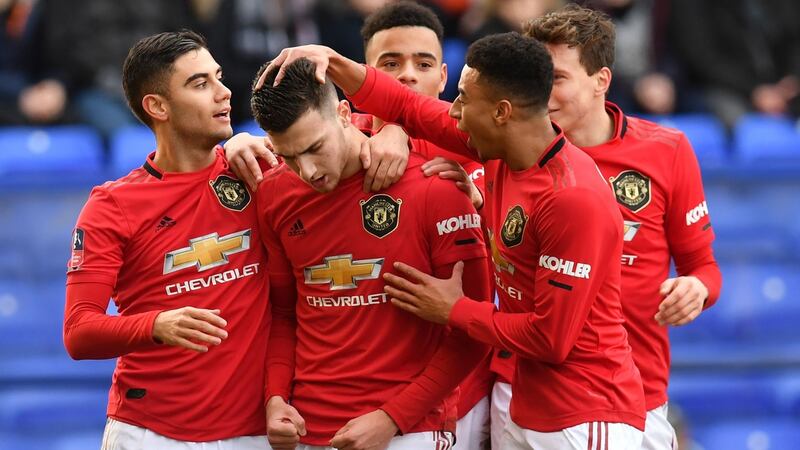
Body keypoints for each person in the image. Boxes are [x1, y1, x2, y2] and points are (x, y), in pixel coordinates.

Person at [259, 32, 646, 449]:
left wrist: (455, 310)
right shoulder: (500, 154)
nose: (454, 112)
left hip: (587, 413)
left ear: (501, 112)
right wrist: (333, 60)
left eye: (462, 99)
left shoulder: (572, 198)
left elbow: (550, 340)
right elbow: (408, 107)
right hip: (531, 408)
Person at [251, 57, 492, 450]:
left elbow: (475, 331)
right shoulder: (273, 194)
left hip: (410, 432)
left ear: (345, 113)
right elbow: (283, 314)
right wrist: (276, 397)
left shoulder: (437, 189)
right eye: (290, 157)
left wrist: (393, 417)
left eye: (314, 148)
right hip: (307, 430)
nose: (308, 171)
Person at [522, 5, 722, 449]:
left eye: (555, 78)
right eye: (532, 77)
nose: (540, 93)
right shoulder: (509, 151)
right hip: (524, 391)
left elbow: (705, 269)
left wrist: (695, 289)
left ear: (601, 80)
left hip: (634, 394)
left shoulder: (666, 151)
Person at [63, 30, 272, 450]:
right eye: (200, 84)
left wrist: (394, 133)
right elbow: (79, 331)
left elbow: (344, 134)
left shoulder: (256, 168)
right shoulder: (112, 205)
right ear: (157, 106)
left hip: (259, 431)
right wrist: (157, 325)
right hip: (152, 433)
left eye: (218, 77)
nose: (224, 93)